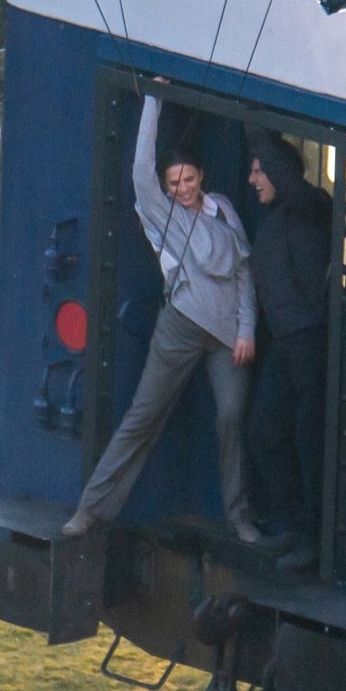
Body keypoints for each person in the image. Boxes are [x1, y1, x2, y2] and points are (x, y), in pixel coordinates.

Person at [62, 84, 263, 543]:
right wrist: (154, 99)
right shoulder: (159, 212)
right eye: (174, 183)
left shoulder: (225, 211)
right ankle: (91, 509)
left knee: (232, 416)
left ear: (201, 176)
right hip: (181, 328)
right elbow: (140, 170)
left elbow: (244, 276)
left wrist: (247, 329)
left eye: (189, 180)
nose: (182, 189)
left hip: (229, 334)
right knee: (143, 416)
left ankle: (240, 516)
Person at [246, 134, 332, 571]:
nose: (252, 179)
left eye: (260, 170)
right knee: (264, 432)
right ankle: (293, 526)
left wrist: (258, 134)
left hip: (312, 340)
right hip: (284, 343)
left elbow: (289, 178)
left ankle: (315, 538)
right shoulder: (272, 221)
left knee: (309, 438)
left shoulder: (310, 207)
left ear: (281, 172)